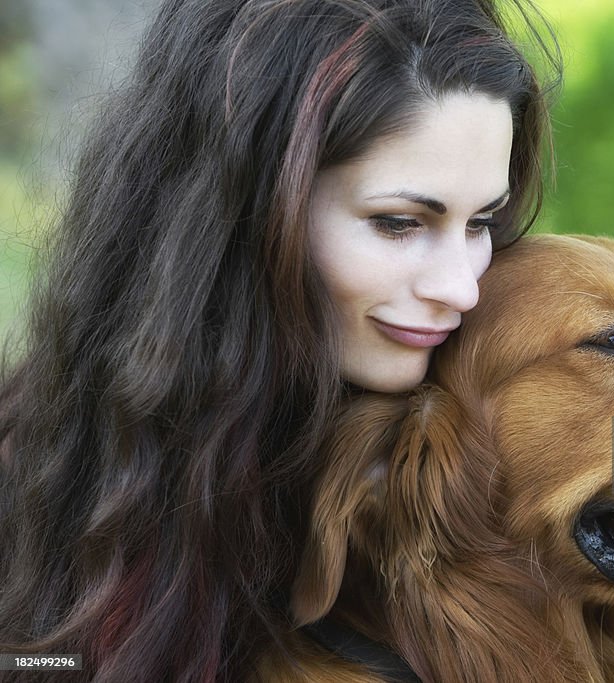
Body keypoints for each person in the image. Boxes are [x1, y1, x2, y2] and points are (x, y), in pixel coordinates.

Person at [0, 1, 558, 680]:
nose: (462, 288)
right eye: (399, 222)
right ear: (250, 217)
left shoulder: (500, 365)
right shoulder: (40, 465)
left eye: (483, 222)